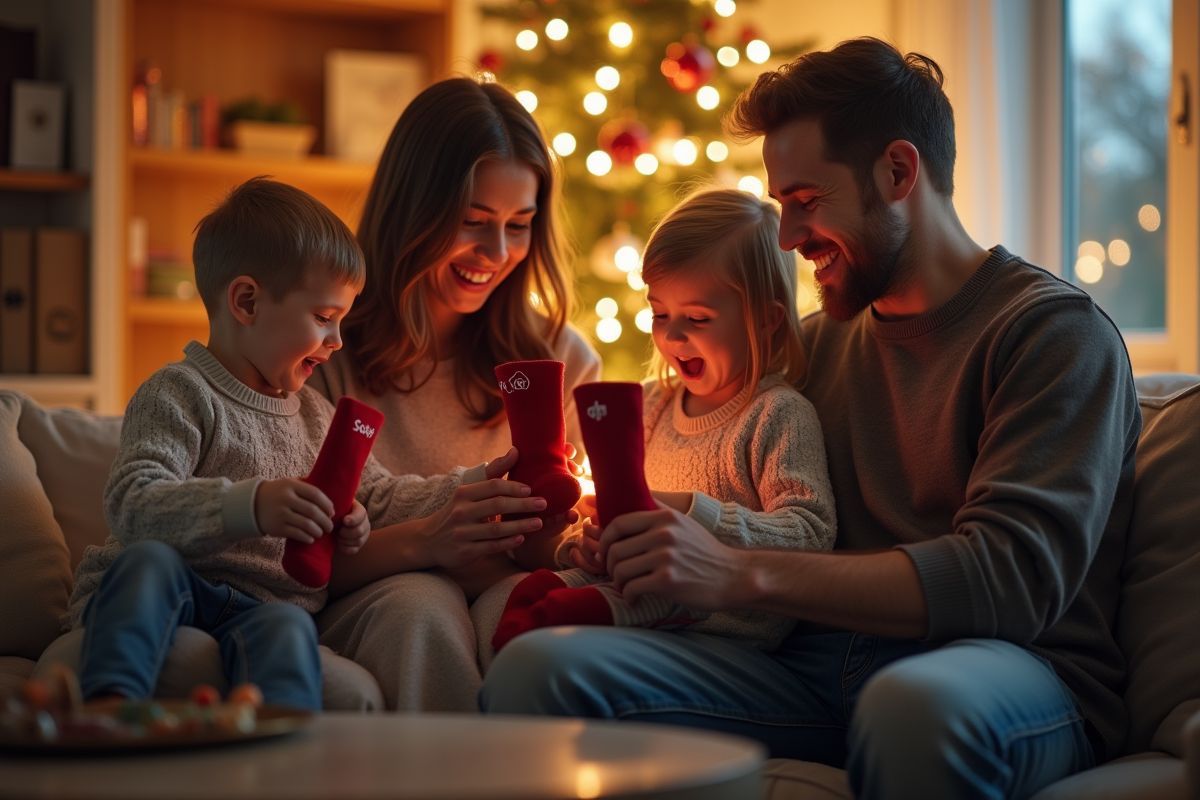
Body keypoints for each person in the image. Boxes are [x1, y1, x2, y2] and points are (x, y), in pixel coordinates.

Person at [480, 37, 1140, 800]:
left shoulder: (1052, 335)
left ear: (898, 172)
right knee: (541, 666)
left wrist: (736, 570)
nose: (788, 239)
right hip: (810, 673)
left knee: (913, 707)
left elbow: (1009, 578)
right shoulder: (813, 346)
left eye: (804, 202)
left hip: (1008, 669)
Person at [69, 178, 527, 711]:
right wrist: (252, 505)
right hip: (172, 586)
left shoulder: (314, 413)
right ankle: (107, 706)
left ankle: (283, 740)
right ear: (246, 302)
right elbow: (133, 505)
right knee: (147, 564)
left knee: (290, 624)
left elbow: (378, 495)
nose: (335, 342)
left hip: (262, 606)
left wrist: (468, 484)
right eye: (324, 320)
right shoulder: (179, 393)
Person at [308, 76, 601, 711]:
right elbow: (296, 559)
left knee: (532, 628)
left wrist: (563, 534)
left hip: (506, 582)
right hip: (383, 588)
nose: (496, 253)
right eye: (472, 221)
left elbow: (561, 544)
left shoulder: (560, 357)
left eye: (519, 225)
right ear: (412, 209)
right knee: (422, 608)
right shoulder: (323, 352)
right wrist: (428, 539)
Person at [491, 187, 835, 654]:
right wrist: (581, 545)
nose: (672, 335)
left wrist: (687, 509)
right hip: (638, 583)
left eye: (696, 317)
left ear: (764, 320)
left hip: (723, 615)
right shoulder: (651, 407)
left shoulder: (778, 414)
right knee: (526, 595)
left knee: (568, 617)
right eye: (659, 313)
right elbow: (608, 523)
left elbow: (810, 534)